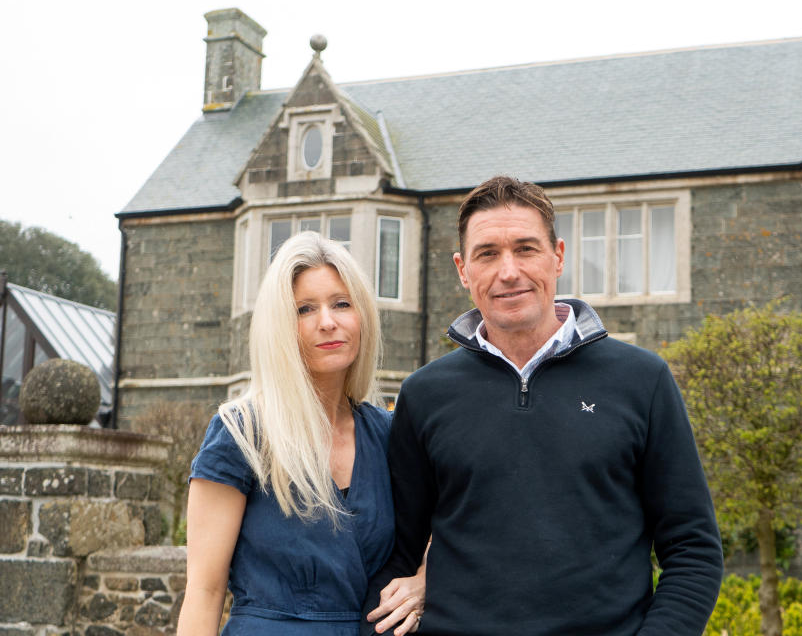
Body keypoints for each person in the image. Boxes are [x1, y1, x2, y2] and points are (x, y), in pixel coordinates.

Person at [363, 176, 723, 635]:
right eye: (487, 253)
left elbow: (693, 549)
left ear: (558, 257)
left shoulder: (641, 380)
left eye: (526, 249)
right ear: (462, 269)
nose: (508, 271)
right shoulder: (425, 394)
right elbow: (394, 553)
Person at [179, 232, 425, 636]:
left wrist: (423, 580)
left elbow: (448, 527)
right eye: (305, 309)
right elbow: (204, 591)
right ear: (279, 326)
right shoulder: (241, 432)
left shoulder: (388, 434)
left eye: (342, 304)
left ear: (362, 315)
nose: (328, 321)